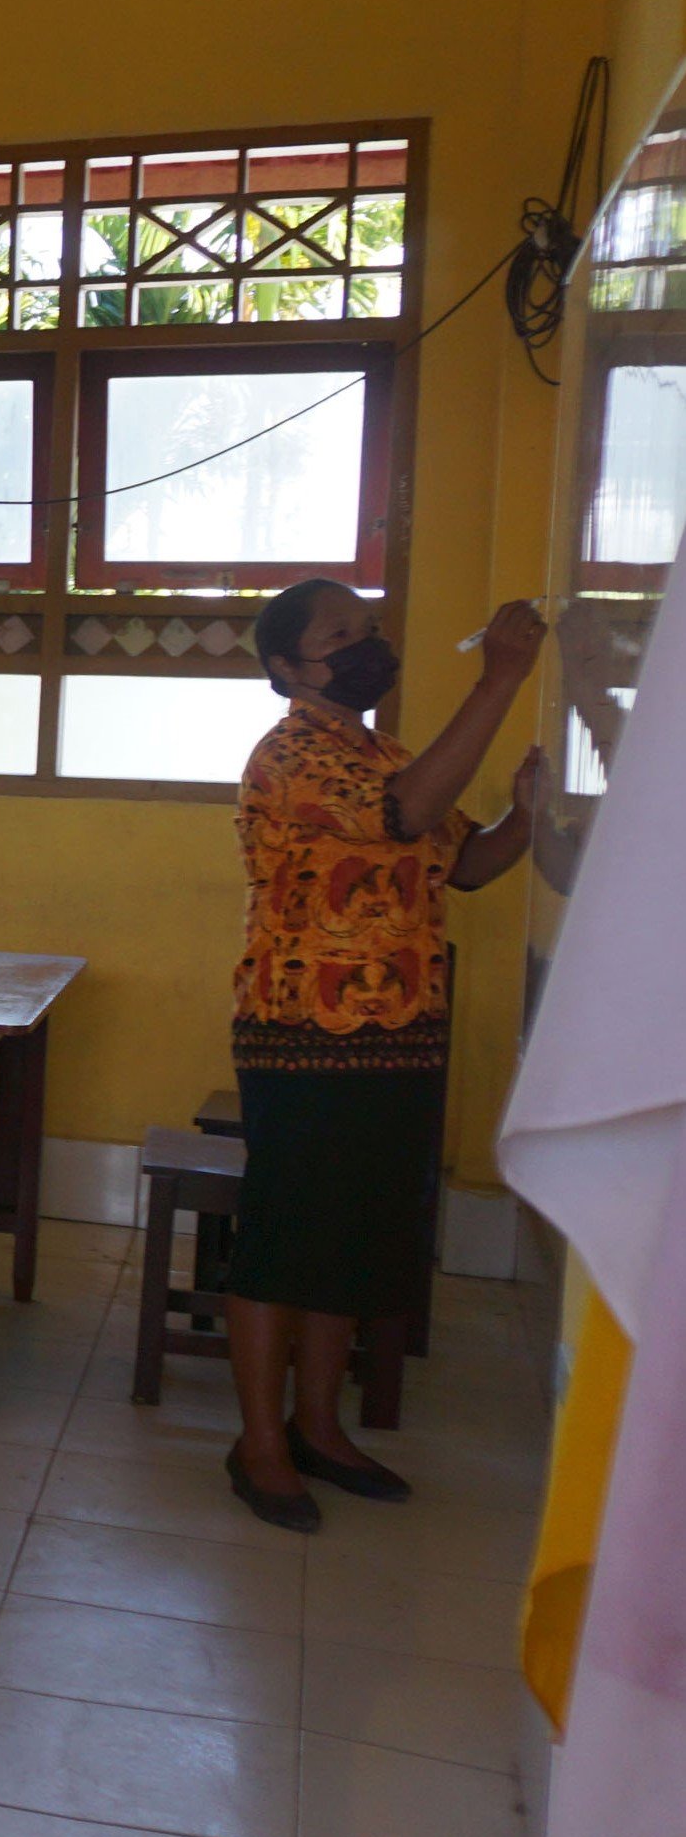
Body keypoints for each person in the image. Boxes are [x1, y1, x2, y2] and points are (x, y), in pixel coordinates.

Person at [222, 580, 544, 1530]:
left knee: (353, 1236)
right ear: (285, 668)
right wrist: (501, 679)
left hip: (398, 1029)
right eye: (338, 637)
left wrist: (524, 816)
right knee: (287, 1240)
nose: (365, 647)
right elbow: (403, 817)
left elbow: (468, 862)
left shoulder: (379, 748)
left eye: (368, 631)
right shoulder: (290, 756)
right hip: (301, 1032)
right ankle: (259, 1443)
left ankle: (319, 1426)